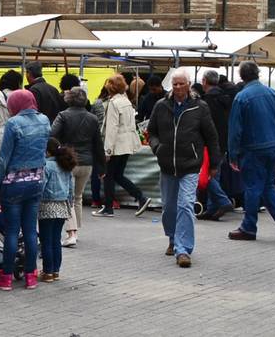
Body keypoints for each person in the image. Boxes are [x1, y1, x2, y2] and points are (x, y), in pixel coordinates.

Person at [147, 68, 220, 268]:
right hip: (167, 165)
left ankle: (183, 249)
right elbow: (151, 131)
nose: (178, 87)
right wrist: (157, 147)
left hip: (190, 165)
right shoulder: (161, 106)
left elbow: (211, 137)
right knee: (169, 208)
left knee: (186, 205)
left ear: (189, 85)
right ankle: (172, 237)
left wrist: (214, 163)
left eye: (181, 83)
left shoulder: (200, 107)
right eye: (175, 84)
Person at [226, 60, 275, 241]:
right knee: (267, 185)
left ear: (242, 76)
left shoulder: (241, 97)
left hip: (252, 148)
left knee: (252, 187)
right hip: (273, 146)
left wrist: (233, 154)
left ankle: (249, 227)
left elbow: (235, 129)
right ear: (258, 73)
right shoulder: (273, 94)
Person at [0, 87, 50, 290]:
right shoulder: (44, 121)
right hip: (36, 182)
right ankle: (31, 276)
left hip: (13, 185)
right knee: (31, 231)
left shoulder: (13, 123)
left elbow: (3, 158)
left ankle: (6, 277)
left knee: (12, 232)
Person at [48, 87, 103, 247]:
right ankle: (76, 230)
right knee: (77, 197)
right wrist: (102, 167)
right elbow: (98, 143)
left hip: (68, 161)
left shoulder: (63, 115)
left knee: (68, 197)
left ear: (69, 99)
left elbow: (52, 133)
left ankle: (72, 233)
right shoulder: (93, 118)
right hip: (87, 162)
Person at [93, 73, 151, 217]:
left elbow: (112, 129)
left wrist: (107, 150)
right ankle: (140, 197)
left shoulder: (113, 103)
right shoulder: (126, 101)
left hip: (117, 145)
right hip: (127, 143)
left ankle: (108, 208)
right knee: (118, 175)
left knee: (108, 176)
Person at [199, 69, 238, 219]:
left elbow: (206, 125)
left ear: (204, 81)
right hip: (224, 141)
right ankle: (211, 208)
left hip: (210, 143)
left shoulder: (207, 100)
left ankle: (222, 201)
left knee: (205, 175)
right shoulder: (225, 98)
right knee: (215, 174)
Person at [38, 140, 78, 283]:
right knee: (56, 240)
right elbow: (71, 189)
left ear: (47, 151)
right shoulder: (65, 166)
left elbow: (41, 186)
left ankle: (47, 272)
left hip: (47, 206)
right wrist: (70, 203)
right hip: (62, 207)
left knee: (46, 241)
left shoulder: (46, 166)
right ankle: (55, 271)